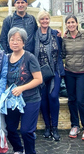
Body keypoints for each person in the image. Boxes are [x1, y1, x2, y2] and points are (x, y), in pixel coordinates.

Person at [5, 27, 43, 154]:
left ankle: (30, 152)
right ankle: (18, 149)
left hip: (30, 98)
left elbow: (38, 79)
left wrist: (21, 88)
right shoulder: (6, 58)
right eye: (12, 39)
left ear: (23, 42)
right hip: (12, 101)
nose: (15, 42)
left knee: (26, 131)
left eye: (18, 40)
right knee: (10, 129)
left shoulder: (29, 57)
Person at [61, 14, 84, 141]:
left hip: (83, 72)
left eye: (73, 22)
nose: (71, 24)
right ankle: (75, 125)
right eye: (68, 23)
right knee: (72, 99)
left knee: (81, 100)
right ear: (66, 25)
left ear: (77, 23)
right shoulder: (65, 38)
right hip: (69, 72)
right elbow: (63, 54)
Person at [33, 10, 64, 141]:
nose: (45, 21)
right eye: (42, 19)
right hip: (40, 72)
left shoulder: (55, 34)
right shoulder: (34, 36)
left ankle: (54, 127)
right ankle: (47, 126)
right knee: (43, 99)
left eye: (46, 19)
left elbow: (62, 50)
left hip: (54, 70)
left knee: (53, 96)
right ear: (39, 21)